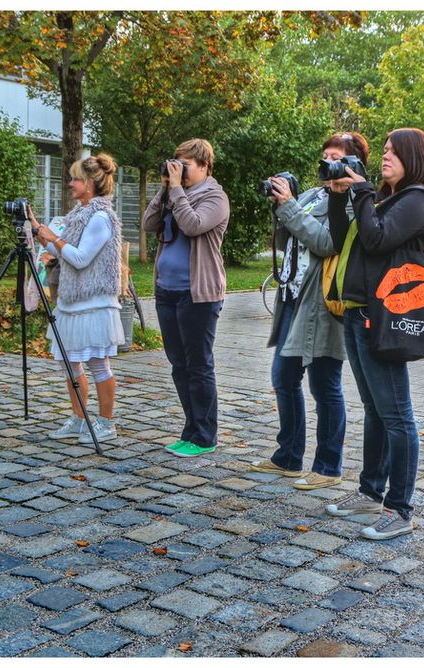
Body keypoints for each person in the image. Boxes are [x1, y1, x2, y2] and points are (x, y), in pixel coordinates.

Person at [323, 128, 424, 539]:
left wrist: (362, 193)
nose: (385, 157)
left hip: (385, 317)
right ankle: (370, 490)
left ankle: (399, 508)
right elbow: (344, 240)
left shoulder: (419, 199)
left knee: (397, 415)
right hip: (359, 311)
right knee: (375, 409)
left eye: (395, 152)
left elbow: (376, 240)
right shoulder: (387, 198)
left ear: (414, 156)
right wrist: (341, 193)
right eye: (385, 151)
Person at [249, 132, 369, 489]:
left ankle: (328, 466)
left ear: (353, 165)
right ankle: (288, 457)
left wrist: (288, 207)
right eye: (326, 156)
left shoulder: (351, 201)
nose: (328, 164)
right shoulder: (313, 195)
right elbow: (289, 238)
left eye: (337, 158)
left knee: (324, 384)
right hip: (292, 296)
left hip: (322, 304)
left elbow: (325, 242)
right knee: (283, 378)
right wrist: (281, 203)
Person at [142, 138, 229, 458]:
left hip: (198, 294)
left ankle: (206, 435)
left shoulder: (216, 197)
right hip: (167, 291)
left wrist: (176, 190)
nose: (177, 169)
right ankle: (190, 429)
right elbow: (148, 224)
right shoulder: (173, 193)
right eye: (175, 163)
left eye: (185, 164)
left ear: (204, 166)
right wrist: (165, 189)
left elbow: (193, 226)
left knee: (199, 365)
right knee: (179, 365)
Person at [29, 153, 124, 445]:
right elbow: (63, 254)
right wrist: (40, 232)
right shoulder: (77, 215)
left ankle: (106, 422)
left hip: (93, 303)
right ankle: (79, 417)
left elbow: (81, 259)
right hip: (71, 302)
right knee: (69, 363)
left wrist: (55, 240)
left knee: (97, 363)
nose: (71, 184)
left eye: (75, 179)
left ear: (90, 183)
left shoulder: (100, 218)